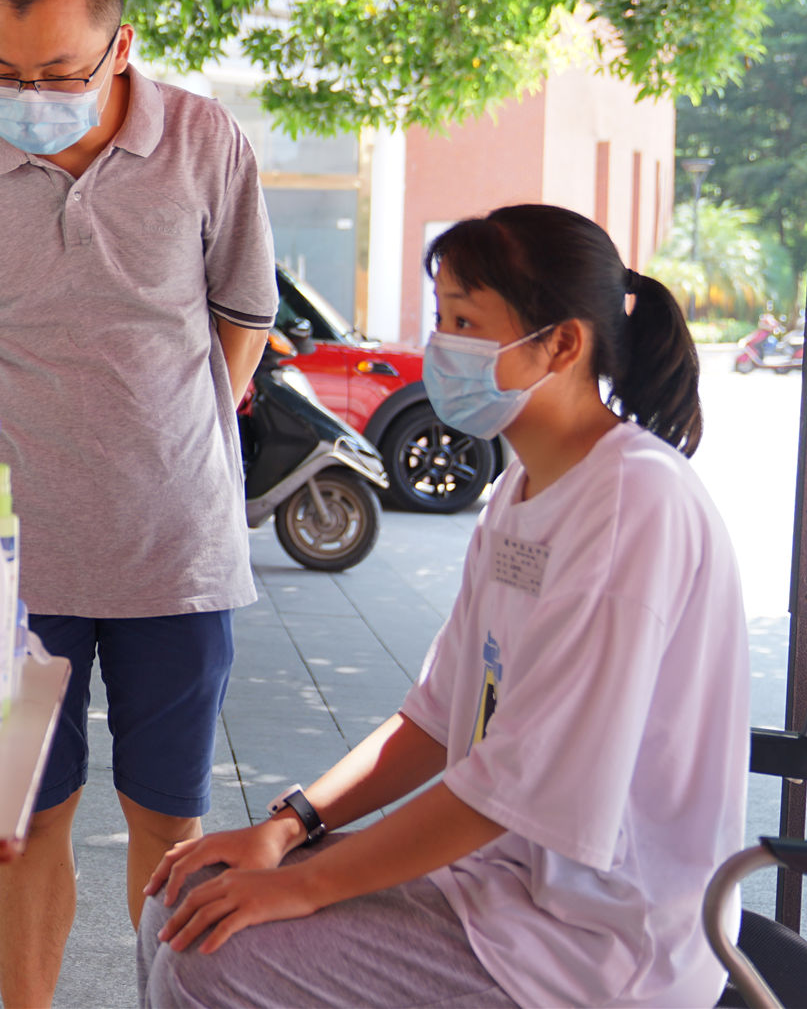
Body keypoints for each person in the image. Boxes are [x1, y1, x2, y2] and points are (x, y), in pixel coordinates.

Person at [137, 203, 747, 1009]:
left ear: (562, 343)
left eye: (465, 319)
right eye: (440, 317)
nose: (441, 345)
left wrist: (307, 887)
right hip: (503, 886)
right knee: (183, 899)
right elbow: (434, 716)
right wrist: (288, 827)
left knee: (211, 957)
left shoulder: (633, 501)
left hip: (597, 945)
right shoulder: (522, 490)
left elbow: (523, 784)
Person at [0, 0, 278, 1006]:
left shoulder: (205, 144)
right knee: (22, 818)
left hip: (174, 555)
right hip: (11, 564)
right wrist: (21, 446)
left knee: (170, 826)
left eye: (58, 71)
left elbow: (237, 324)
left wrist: (161, 428)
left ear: (120, 46)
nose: (27, 93)